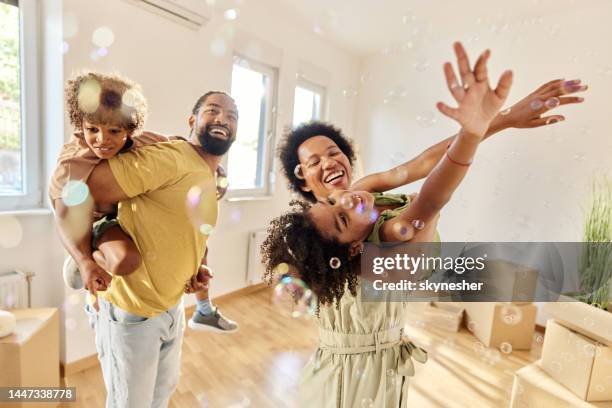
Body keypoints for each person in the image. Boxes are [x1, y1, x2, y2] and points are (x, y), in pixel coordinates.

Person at [262, 41, 516, 407]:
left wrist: (497, 121)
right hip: (350, 383)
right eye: (314, 161)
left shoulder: (356, 199)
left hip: (372, 365)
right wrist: (472, 134)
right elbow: (430, 198)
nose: (330, 163)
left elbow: (421, 164)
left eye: (334, 151)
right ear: (302, 179)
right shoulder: (356, 247)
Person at [69, 89, 237, 407]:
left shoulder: (211, 176)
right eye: (213, 110)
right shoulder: (172, 157)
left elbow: (188, 232)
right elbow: (84, 191)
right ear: (193, 120)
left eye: (231, 116)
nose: (222, 119)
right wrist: (83, 256)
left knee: (159, 397)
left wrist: (195, 269)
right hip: (131, 314)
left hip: (171, 309)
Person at [51, 72, 238, 333]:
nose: (102, 139)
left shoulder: (141, 144)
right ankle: (84, 265)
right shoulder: (72, 161)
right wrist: (84, 260)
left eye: (114, 131)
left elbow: (168, 141)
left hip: (163, 299)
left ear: (129, 129)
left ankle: (204, 310)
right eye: (92, 129)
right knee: (125, 260)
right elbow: (64, 210)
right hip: (92, 223)